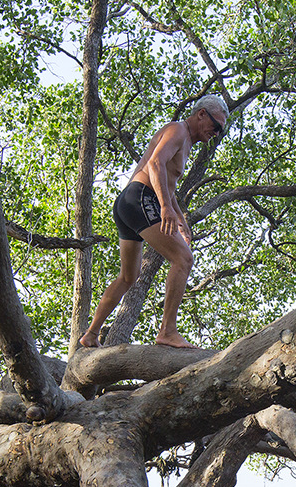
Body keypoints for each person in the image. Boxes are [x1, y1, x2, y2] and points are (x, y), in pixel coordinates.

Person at [78, 94, 229, 350]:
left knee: (129, 276)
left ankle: (91, 334)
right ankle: (168, 331)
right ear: (202, 114)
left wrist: (180, 218)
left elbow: (168, 185)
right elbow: (155, 163)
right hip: (140, 198)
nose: (216, 133)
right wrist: (165, 208)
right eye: (216, 126)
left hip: (129, 204)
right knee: (184, 259)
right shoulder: (177, 130)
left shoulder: (186, 143)